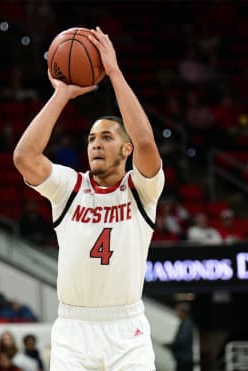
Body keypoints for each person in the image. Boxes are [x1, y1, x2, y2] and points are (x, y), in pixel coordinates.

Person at [13, 26, 164, 370]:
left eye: (107, 137)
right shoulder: (69, 187)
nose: (96, 143)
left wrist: (113, 72)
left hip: (127, 329)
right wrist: (61, 95)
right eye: (92, 138)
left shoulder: (142, 190)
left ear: (125, 149)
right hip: (73, 329)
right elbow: (24, 158)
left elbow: (146, 143)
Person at [164, 302, 195, 371]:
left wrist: (170, 345)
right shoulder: (186, 323)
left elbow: (181, 340)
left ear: (183, 312)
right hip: (184, 359)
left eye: (178, 310)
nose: (176, 313)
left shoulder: (186, 324)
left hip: (184, 359)